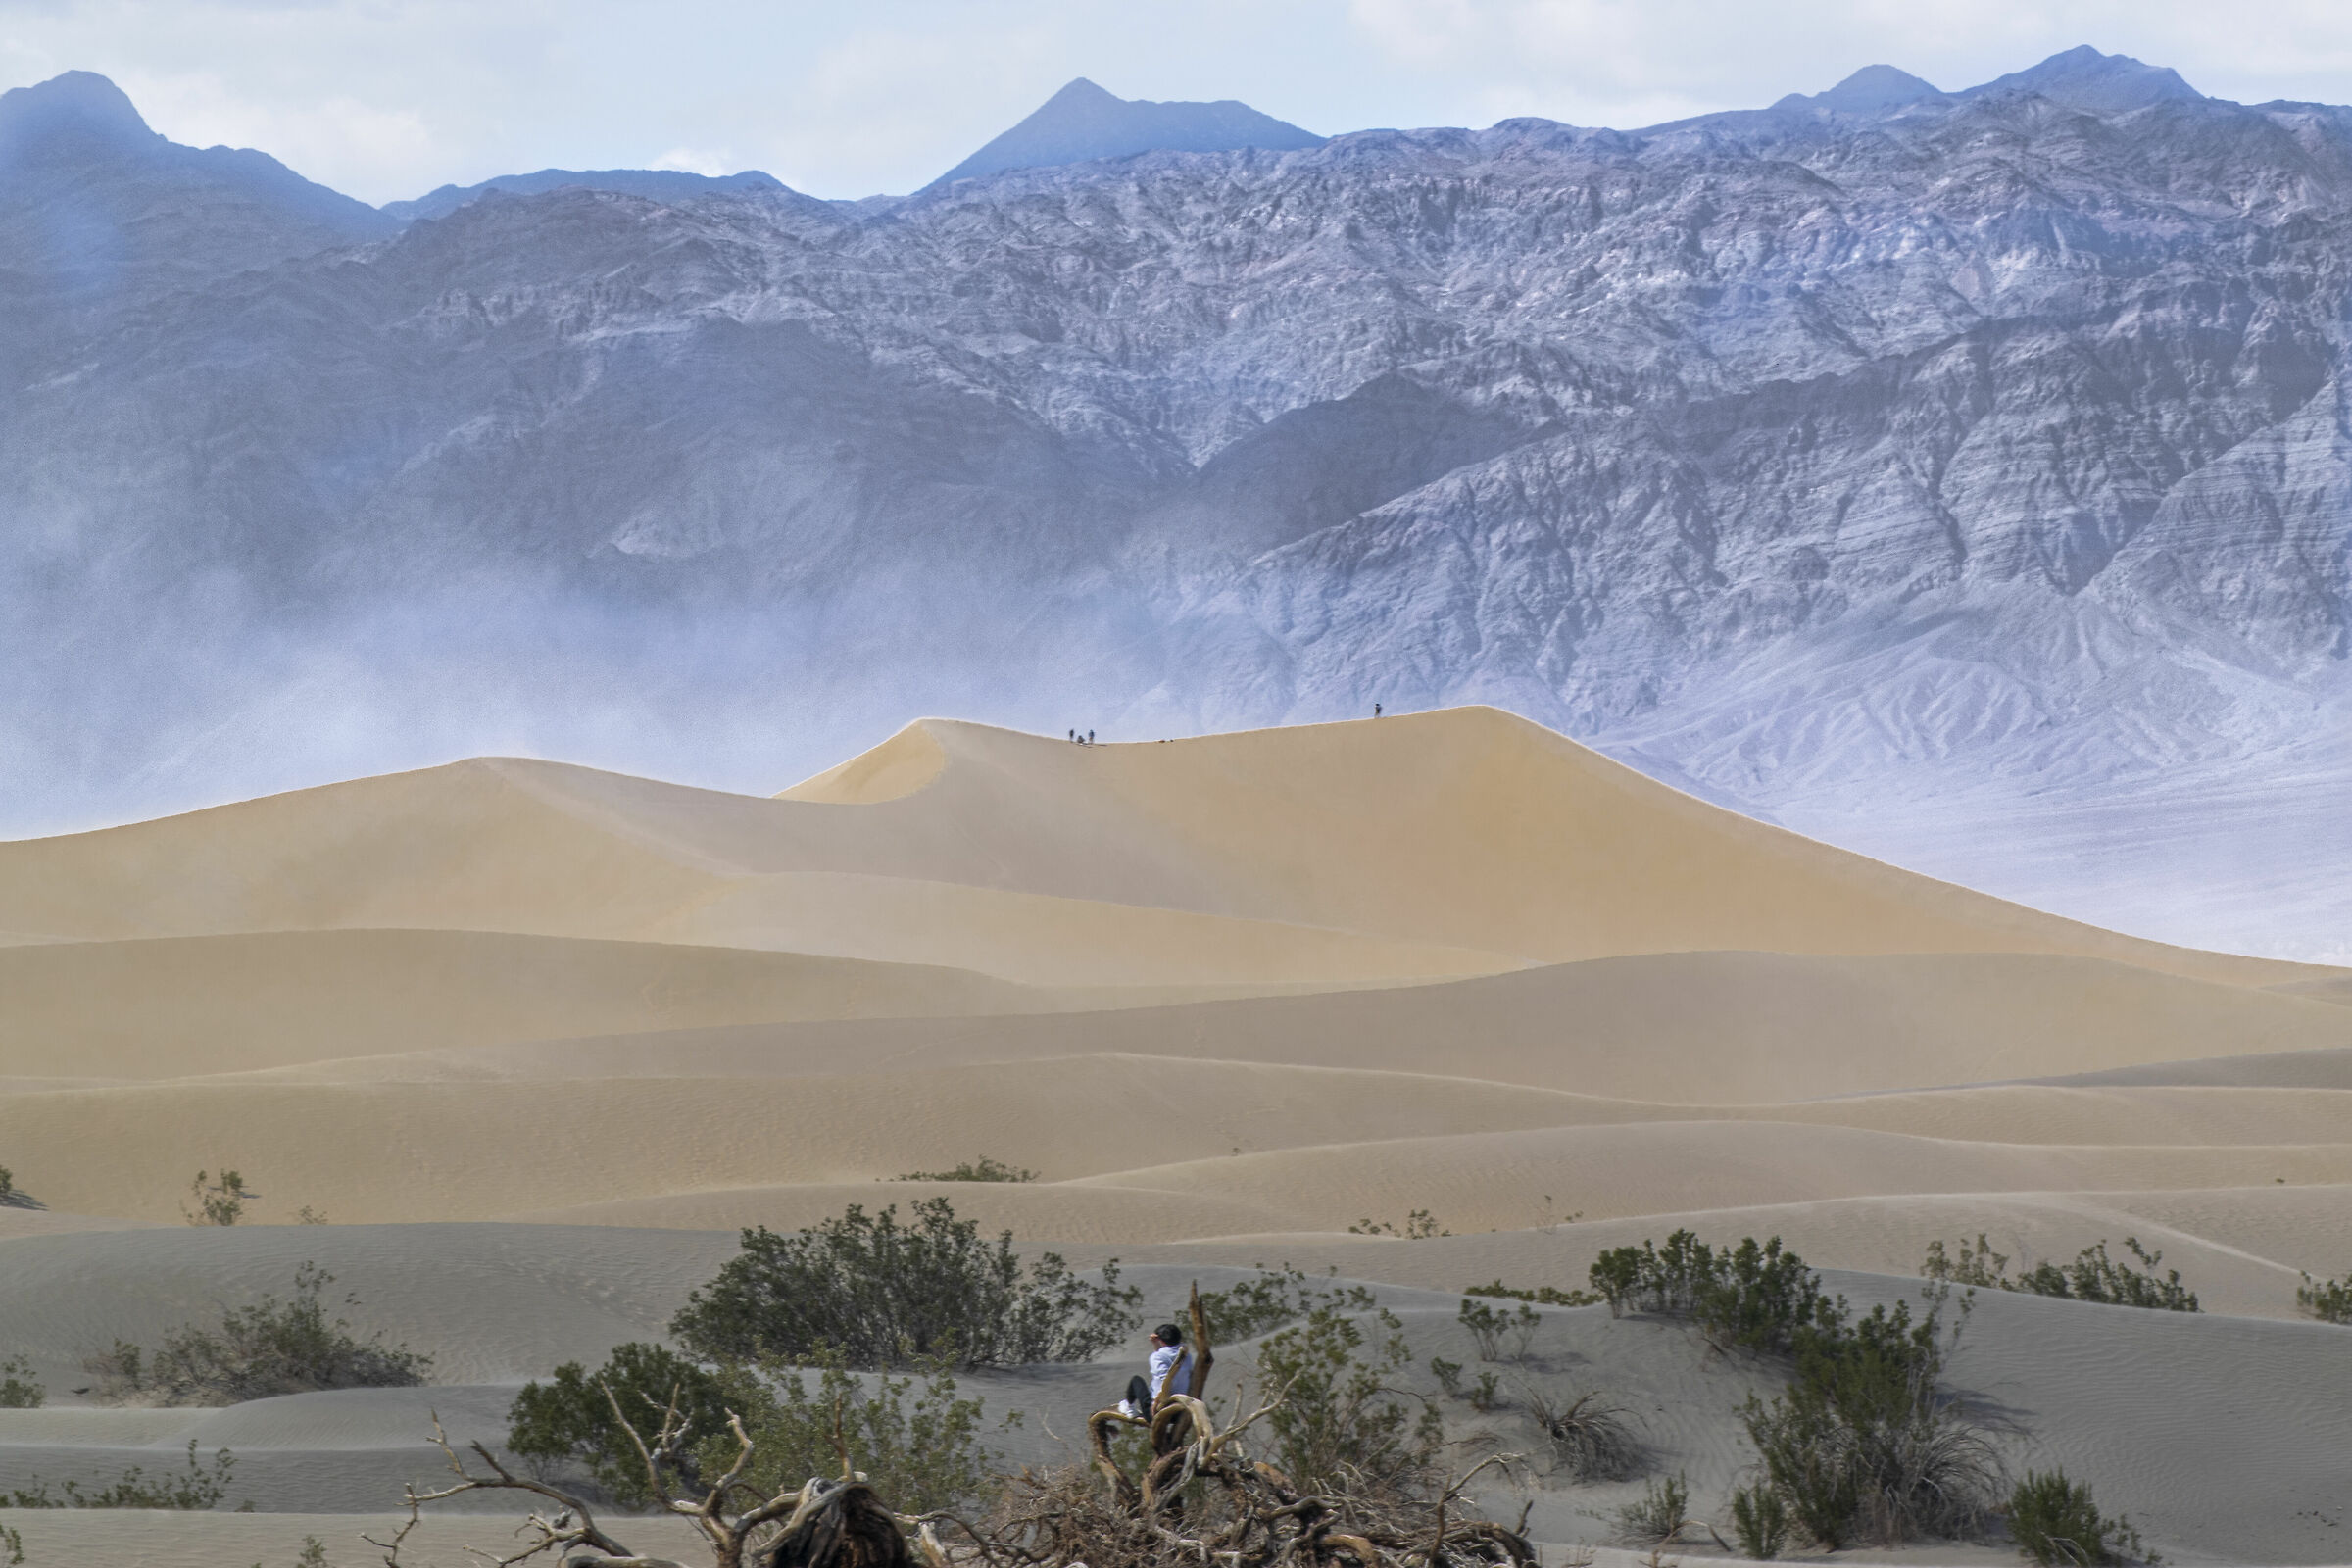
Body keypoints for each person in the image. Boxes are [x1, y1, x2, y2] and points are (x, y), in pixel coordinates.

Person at [1119, 1322, 1192, 1418]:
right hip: (1180, 1411)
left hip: (1158, 1412)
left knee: (1136, 1380)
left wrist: (1156, 1404)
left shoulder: (1157, 1357)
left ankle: (1129, 1407)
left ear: (1161, 1340)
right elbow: (1168, 1356)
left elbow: (1165, 1381)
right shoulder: (1186, 1355)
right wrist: (1157, 1343)